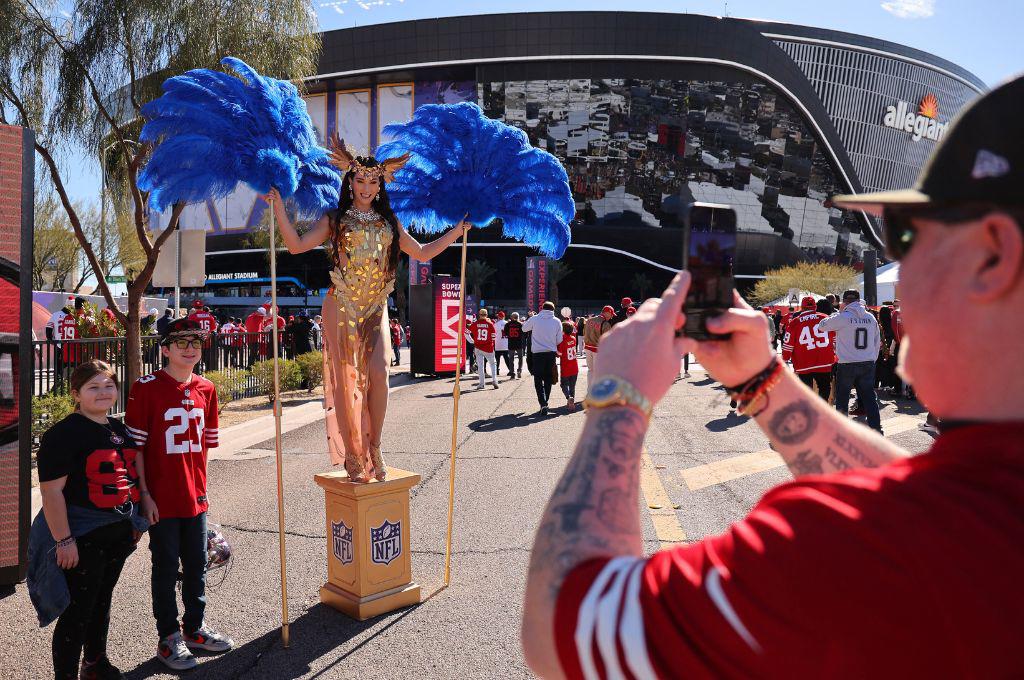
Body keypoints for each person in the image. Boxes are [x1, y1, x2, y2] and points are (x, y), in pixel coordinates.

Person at [521, 73, 1024, 678]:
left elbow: (566, 629)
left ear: (993, 256)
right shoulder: (964, 519)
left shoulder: (853, 547)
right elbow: (934, 504)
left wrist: (618, 395)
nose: (897, 267)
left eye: (907, 234)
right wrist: (761, 381)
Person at [263, 141, 470, 482]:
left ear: (381, 184)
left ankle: (375, 446)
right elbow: (296, 246)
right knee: (347, 382)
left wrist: (456, 232)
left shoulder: (389, 221)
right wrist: (280, 211)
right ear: (350, 182)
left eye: (374, 182)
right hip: (341, 304)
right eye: (360, 181)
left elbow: (421, 253)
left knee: (379, 375)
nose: (367, 188)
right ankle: (354, 455)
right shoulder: (335, 219)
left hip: (375, 306)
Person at [30, 361, 154, 680]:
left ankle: (95, 662)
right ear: (76, 393)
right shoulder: (64, 434)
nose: (103, 392)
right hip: (83, 534)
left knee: (101, 600)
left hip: (118, 530)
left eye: (108, 385)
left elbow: (129, 474)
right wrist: (64, 540)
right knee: (78, 610)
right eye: (93, 387)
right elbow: (52, 493)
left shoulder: (118, 428)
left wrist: (136, 520)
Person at [125, 318, 233, 671]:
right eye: (181, 342)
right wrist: (145, 495)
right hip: (161, 497)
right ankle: (168, 636)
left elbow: (204, 450)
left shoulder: (208, 388)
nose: (190, 349)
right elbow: (136, 450)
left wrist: (200, 490)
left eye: (196, 342)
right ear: (165, 348)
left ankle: (194, 627)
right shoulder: (146, 387)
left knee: (198, 566)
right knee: (165, 567)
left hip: (195, 496)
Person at [818, 289, 882, 432]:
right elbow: (877, 342)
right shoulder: (871, 318)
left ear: (844, 301)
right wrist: (872, 359)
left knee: (842, 399)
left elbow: (821, 326)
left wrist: (838, 312)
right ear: (859, 300)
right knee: (870, 398)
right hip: (867, 362)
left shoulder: (842, 317)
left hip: (847, 364)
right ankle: (877, 430)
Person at [781, 296, 836, 401]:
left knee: (806, 391)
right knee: (824, 388)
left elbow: (788, 345)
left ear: (802, 307)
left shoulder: (794, 322)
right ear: (815, 306)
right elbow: (835, 339)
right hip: (824, 361)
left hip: (803, 362)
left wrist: (785, 358)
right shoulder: (825, 318)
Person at [522, 301, 562, 416]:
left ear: (542, 308)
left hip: (537, 353)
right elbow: (559, 340)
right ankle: (546, 401)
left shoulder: (535, 318)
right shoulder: (557, 321)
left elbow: (524, 329)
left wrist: (530, 318)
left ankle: (542, 403)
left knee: (538, 378)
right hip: (550, 353)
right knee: (548, 378)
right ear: (553, 309)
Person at [469, 308, 499, 390]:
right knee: (493, 364)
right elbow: (493, 336)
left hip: (478, 347)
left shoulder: (475, 324)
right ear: (487, 315)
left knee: (480, 366)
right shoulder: (490, 324)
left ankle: (481, 384)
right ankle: (494, 381)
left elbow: (465, 331)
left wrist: (471, 341)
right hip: (488, 347)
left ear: (479, 315)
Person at [188, 300, 219, 372]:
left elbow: (189, 329)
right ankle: (208, 374)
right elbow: (213, 328)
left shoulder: (192, 316)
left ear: (194, 307)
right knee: (208, 361)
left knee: (195, 361)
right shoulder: (209, 316)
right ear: (202, 307)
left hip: (196, 342)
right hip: (207, 341)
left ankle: (196, 375)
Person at [582, 306, 614, 374]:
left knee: (590, 371)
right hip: (598, 350)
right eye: (611, 314)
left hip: (587, 348)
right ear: (607, 313)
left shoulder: (589, 320)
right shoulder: (606, 324)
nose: (611, 317)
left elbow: (584, 333)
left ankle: (590, 385)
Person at [557, 321, 579, 412]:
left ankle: (568, 397)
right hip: (574, 366)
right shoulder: (573, 338)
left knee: (563, 384)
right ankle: (571, 402)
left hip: (566, 366)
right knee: (572, 385)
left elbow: (560, 354)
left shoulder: (562, 339)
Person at [504, 312, 525, 378]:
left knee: (511, 359)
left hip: (511, 343)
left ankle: (512, 373)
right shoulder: (520, 324)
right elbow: (524, 333)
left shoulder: (508, 324)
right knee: (520, 358)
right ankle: (519, 370)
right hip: (519, 343)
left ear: (511, 317)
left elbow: (505, 333)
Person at [493, 311, 510, 377]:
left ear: (499, 317)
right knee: (507, 359)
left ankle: (496, 371)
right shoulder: (507, 323)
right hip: (506, 343)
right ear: (504, 316)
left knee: (497, 359)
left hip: (498, 344)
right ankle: (510, 370)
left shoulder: (496, 324)